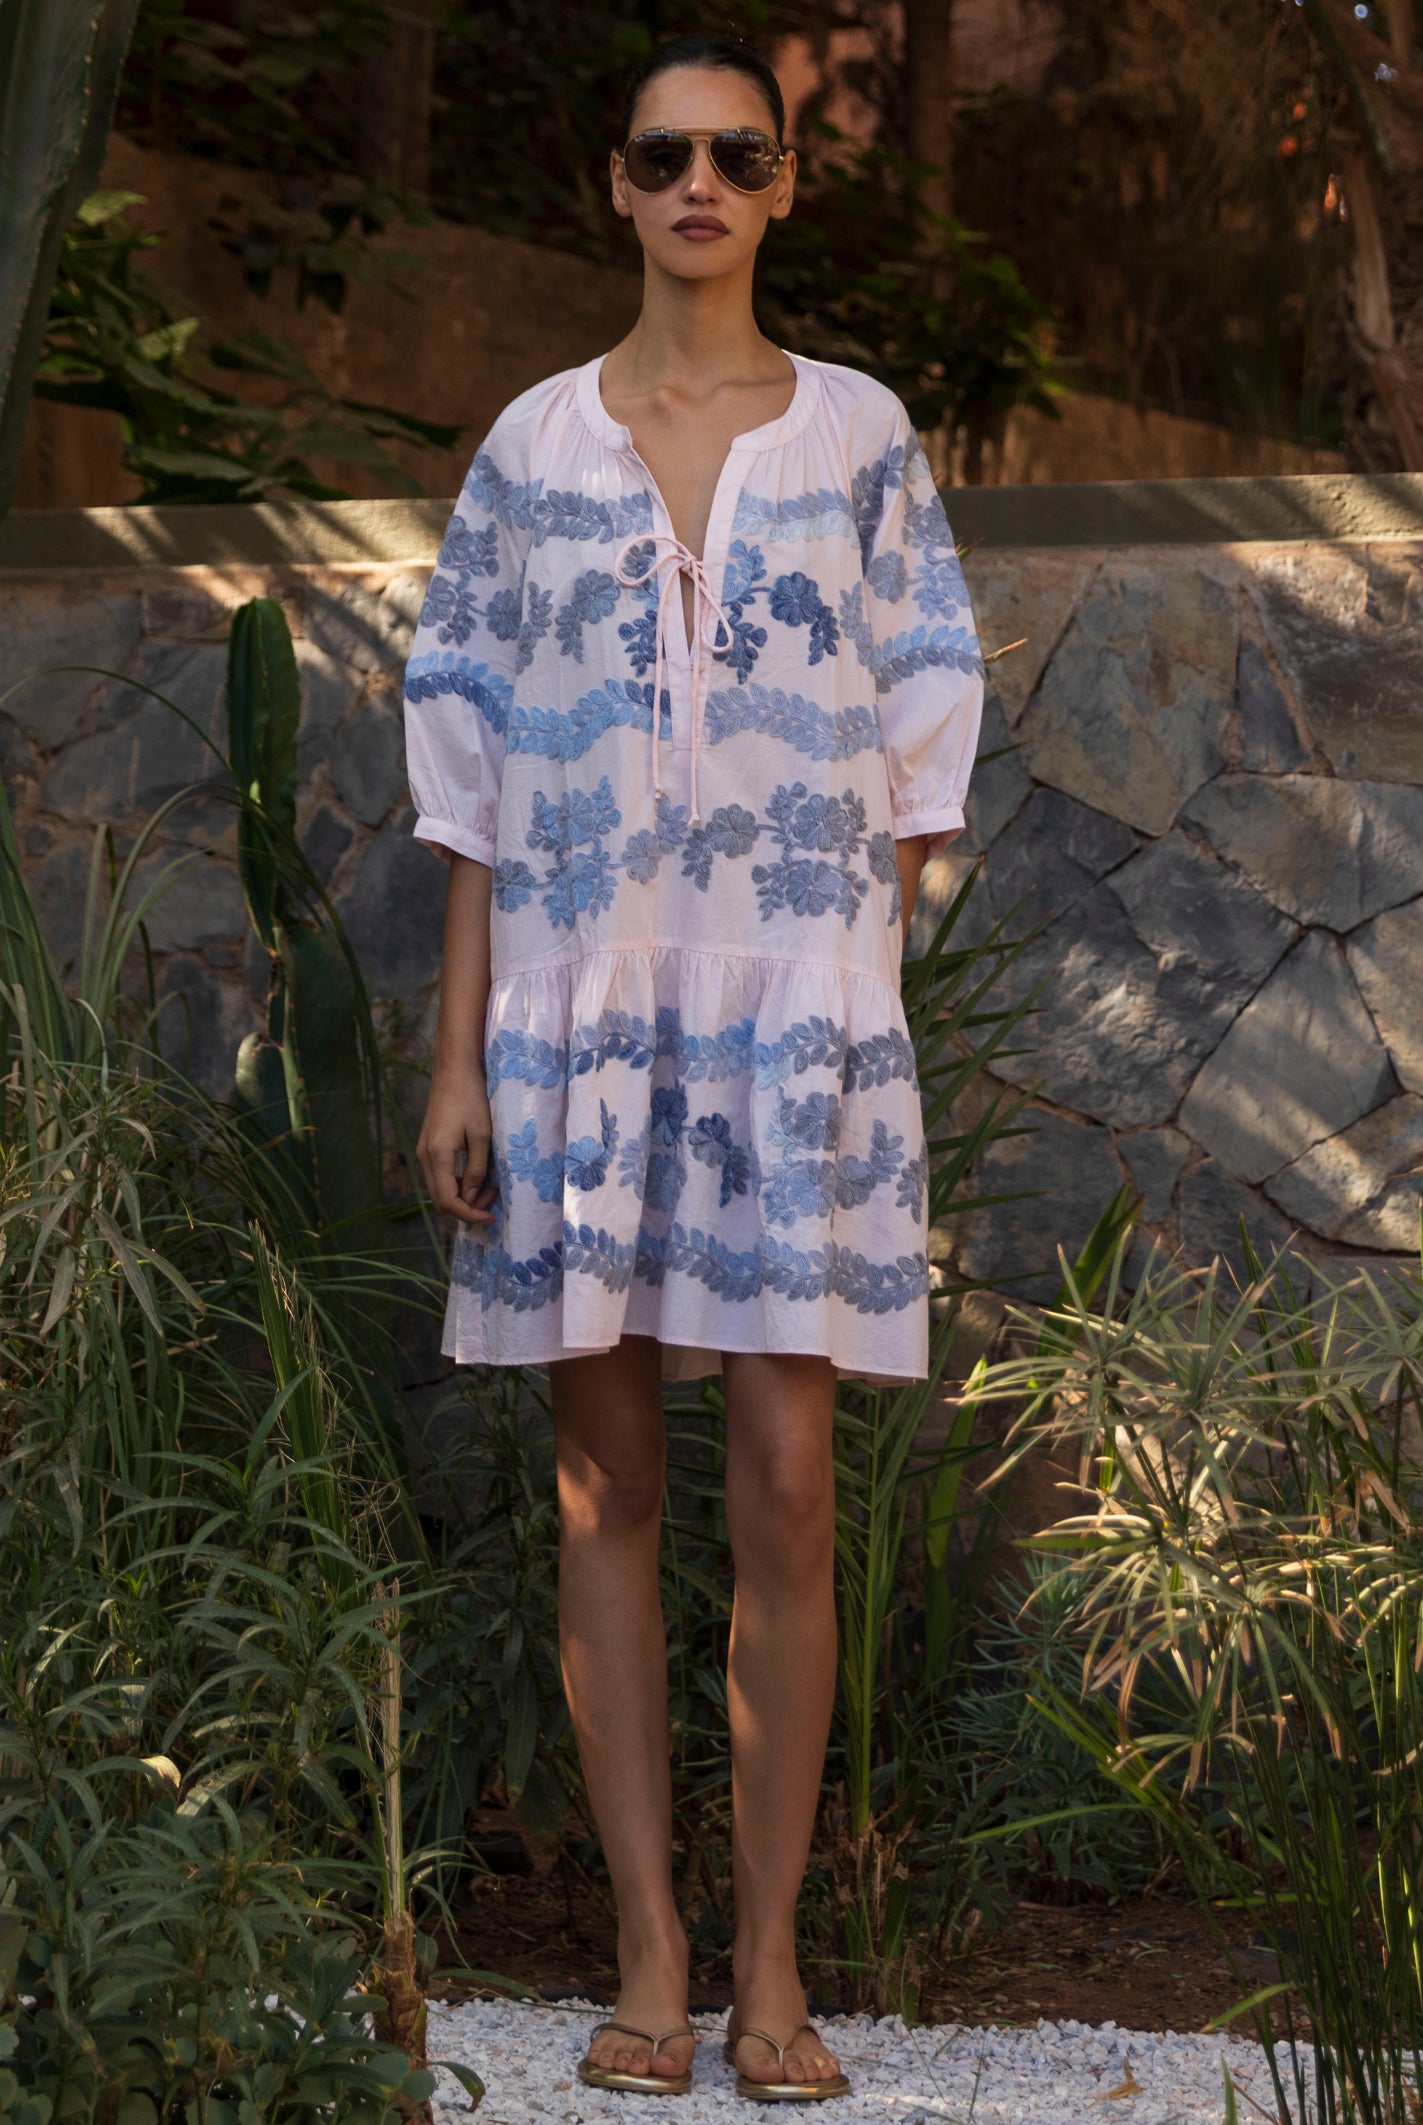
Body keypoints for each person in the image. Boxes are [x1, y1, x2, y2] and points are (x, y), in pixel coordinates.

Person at [404, 29, 983, 2103]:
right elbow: (466, 786)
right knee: (607, 1479)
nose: (703, 184)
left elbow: (924, 728)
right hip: (572, 1014)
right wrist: (458, 1058)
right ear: (616, 186)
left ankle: (770, 1964)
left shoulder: (858, 439)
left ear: (783, 187)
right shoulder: (528, 450)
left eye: (740, 152)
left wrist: (855, 979)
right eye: (667, 154)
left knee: (792, 1485)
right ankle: (650, 1954)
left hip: (784, 1021)